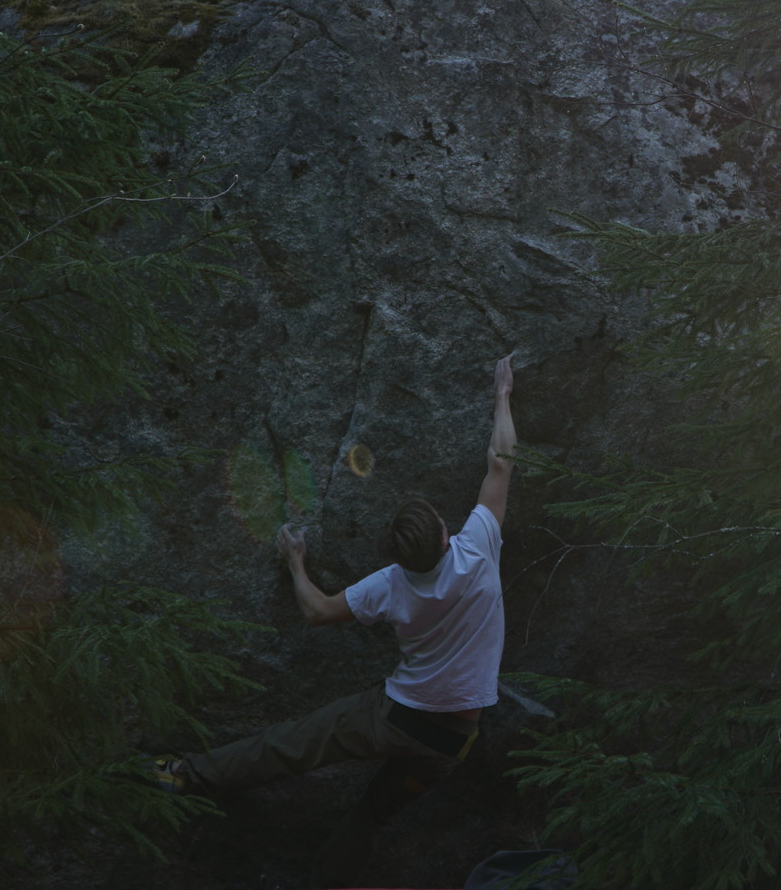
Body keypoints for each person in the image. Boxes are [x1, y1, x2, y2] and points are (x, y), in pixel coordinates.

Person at [150, 353, 517, 886]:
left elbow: (318, 611)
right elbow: (501, 461)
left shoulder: (391, 583)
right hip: (450, 741)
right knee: (373, 816)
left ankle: (184, 774)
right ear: (445, 535)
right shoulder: (478, 548)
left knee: (292, 743)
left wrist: (296, 563)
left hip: (396, 716)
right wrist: (502, 393)